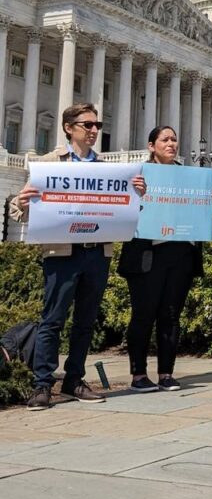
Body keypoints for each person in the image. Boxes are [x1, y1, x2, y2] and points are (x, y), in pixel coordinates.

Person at [9, 103, 146, 411]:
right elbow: (17, 211)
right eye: (88, 125)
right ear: (69, 128)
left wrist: (139, 194)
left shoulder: (110, 168)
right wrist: (24, 201)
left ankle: (74, 380)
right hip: (62, 254)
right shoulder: (49, 163)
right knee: (52, 321)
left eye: (96, 125)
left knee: (85, 322)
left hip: (97, 252)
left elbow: (127, 213)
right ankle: (42, 385)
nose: (95, 130)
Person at [118, 125, 212, 393]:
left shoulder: (190, 177)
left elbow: (198, 210)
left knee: (171, 315)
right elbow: (123, 210)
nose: (171, 143)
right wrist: (133, 192)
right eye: (165, 139)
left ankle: (166, 373)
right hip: (148, 255)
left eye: (174, 139)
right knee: (143, 314)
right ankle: (139, 374)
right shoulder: (138, 175)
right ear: (151, 145)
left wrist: (209, 199)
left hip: (181, 253)